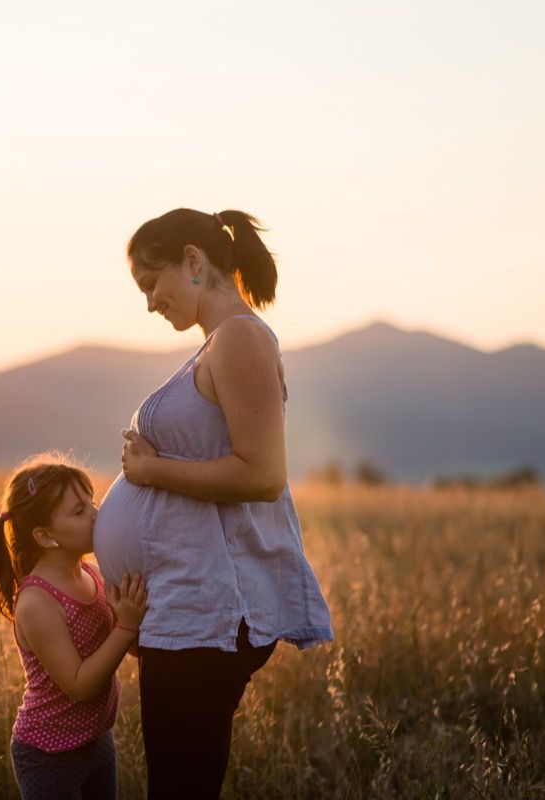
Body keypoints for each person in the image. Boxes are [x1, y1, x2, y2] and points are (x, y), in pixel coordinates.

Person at [92, 208, 334, 799]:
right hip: (183, 610)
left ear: (194, 262)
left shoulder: (242, 338)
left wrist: (152, 469)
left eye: (153, 283)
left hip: (209, 615)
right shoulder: (218, 344)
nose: (150, 302)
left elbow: (262, 476)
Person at [0, 455, 148, 800]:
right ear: (45, 536)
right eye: (79, 511)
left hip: (97, 739)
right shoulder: (37, 603)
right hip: (48, 755)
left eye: (91, 502)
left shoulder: (90, 572)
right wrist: (126, 626)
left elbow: (125, 642)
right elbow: (78, 685)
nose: (96, 514)